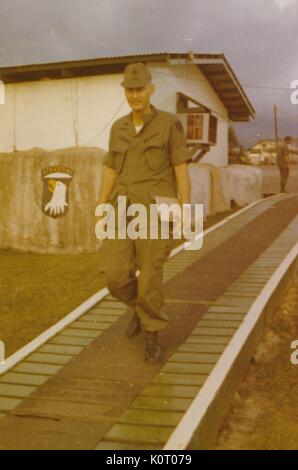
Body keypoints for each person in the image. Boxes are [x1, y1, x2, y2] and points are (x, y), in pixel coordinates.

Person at [97, 62, 191, 364]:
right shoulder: (118, 127)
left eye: (140, 89)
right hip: (121, 205)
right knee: (114, 275)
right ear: (125, 91)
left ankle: (152, 335)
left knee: (150, 275)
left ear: (151, 89)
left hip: (157, 207)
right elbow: (110, 167)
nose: (135, 95)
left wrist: (184, 208)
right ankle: (141, 309)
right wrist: (101, 204)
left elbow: (181, 168)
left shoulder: (168, 124)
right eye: (130, 90)